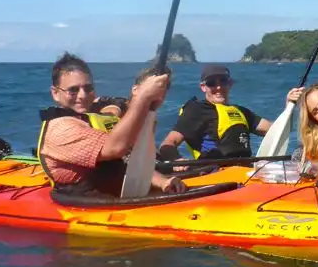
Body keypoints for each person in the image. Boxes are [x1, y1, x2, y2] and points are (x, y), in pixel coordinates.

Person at [38, 52, 184, 197]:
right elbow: (115, 148)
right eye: (73, 90)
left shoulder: (89, 119)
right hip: (86, 210)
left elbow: (125, 165)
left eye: (88, 88)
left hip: (116, 201)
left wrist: (163, 182)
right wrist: (143, 98)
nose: (82, 95)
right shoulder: (61, 130)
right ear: (55, 93)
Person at [159, 64, 284, 160]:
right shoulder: (196, 110)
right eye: (212, 83)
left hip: (245, 173)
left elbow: (275, 130)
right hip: (214, 174)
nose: (218, 87)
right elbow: (168, 143)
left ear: (230, 84)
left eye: (223, 81)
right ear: (203, 87)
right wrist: (177, 160)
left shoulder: (241, 112)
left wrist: (289, 104)